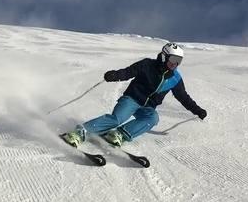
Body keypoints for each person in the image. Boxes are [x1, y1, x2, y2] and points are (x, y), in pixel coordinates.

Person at [62, 42, 207, 147]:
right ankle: (80, 132)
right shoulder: (147, 65)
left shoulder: (175, 78)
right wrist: (114, 75)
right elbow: (128, 72)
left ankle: (119, 134)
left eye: (179, 61)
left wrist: (197, 110)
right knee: (117, 118)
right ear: (164, 56)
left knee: (153, 118)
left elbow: (184, 97)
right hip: (132, 98)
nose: (175, 64)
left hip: (147, 108)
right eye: (173, 59)